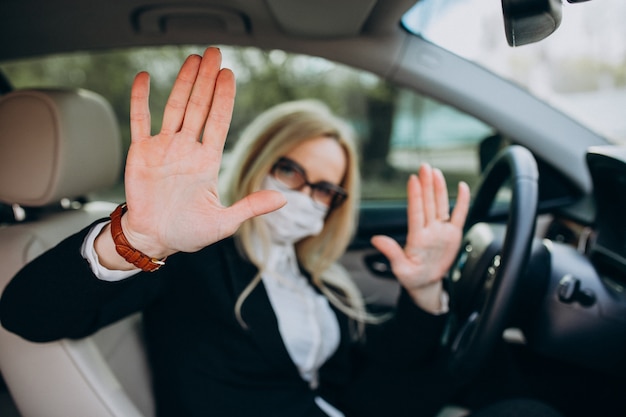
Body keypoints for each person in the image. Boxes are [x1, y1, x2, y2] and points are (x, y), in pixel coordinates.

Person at [0, 47, 562, 417]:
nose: (306, 195)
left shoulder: (305, 267)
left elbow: (371, 364)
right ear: (261, 161)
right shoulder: (195, 256)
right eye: (292, 170)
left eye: (327, 188)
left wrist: (423, 289)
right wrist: (138, 237)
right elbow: (29, 316)